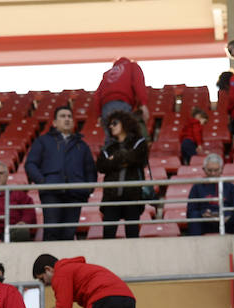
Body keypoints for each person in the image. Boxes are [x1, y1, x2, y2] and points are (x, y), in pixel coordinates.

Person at [24, 106, 96, 241]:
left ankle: (66, 263)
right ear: (54, 122)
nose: (67, 119)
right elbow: (31, 164)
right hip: (51, 192)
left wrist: (87, 189)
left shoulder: (82, 145)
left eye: (69, 116)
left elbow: (90, 170)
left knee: (69, 233)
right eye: (63, 116)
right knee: (52, 231)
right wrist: (43, 182)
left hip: (75, 194)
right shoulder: (43, 141)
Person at [96, 109, 150, 239]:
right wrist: (125, 160)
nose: (111, 126)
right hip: (111, 198)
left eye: (114, 123)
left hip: (132, 197)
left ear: (124, 123)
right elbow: (101, 166)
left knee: (132, 235)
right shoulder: (108, 147)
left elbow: (138, 158)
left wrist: (114, 159)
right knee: (108, 235)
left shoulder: (139, 142)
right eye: (109, 124)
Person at [184, 151, 234, 236]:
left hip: (226, 221)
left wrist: (227, 215)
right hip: (205, 222)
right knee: (194, 216)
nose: (213, 174)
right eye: (210, 170)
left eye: (216, 170)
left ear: (221, 169)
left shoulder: (230, 187)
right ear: (204, 169)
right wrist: (203, 214)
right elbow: (190, 211)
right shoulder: (197, 187)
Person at [93, 56, 148, 126]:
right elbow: (138, 84)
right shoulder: (132, 66)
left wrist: (99, 115)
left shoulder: (107, 74)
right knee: (124, 133)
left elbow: (97, 95)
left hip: (106, 107)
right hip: (122, 103)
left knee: (111, 134)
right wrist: (143, 104)